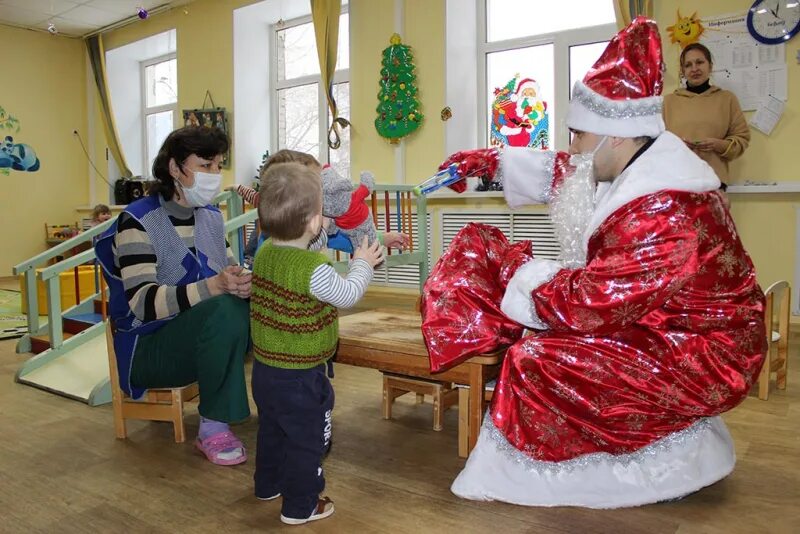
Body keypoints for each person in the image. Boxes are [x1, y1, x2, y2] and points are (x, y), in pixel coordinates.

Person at [422, 18, 766, 508]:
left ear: (617, 136)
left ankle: (572, 472)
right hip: (665, 327)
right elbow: (568, 172)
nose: (574, 146)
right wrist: (489, 162)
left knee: (535, 357)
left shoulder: (665, 208)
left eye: (580, 134)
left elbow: (590, 303)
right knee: (515, 297)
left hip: (703, 354)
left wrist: (520, 279)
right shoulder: (635, 165)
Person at [95, 126, 252, 466]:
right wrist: (216, 287)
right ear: (174, 167)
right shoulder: (137, 221)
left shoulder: (211, 217)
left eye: (218, 165)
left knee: (261, 306)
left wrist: (241, 282)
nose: (214, 174)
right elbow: (142, 303)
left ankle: (287, 403)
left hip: (198, 335)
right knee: (225, 311)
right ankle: (213, 427)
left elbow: (227, 270)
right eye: (205, 165)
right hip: (149, 348)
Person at [250, 162, 383, 525]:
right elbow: (348, 294)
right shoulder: (313, 270)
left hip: (265, 371)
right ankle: (302, 505)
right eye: (324, 212)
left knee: (272, 430)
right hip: (300, 377)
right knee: (308, 441)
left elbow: (306, 245)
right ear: (312, 221)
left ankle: (267, 485)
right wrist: (362, 263)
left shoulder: (264, 254)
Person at [231, 149, 410, 254]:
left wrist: (382, 238)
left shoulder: (318, 226)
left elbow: (349, 238)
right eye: (316, 188)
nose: (322, 195)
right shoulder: (270, 246)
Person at [663, 42, 750, 200]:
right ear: (683, 71)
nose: (694, 68)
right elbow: (655, 144)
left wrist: (719, 145)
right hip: (676, 183)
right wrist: (677, 146)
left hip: (715, 184)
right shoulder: (667, 103)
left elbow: (742, 138)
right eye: (688, 65)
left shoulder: (727, 99)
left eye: (700, 62)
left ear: (710, 66)